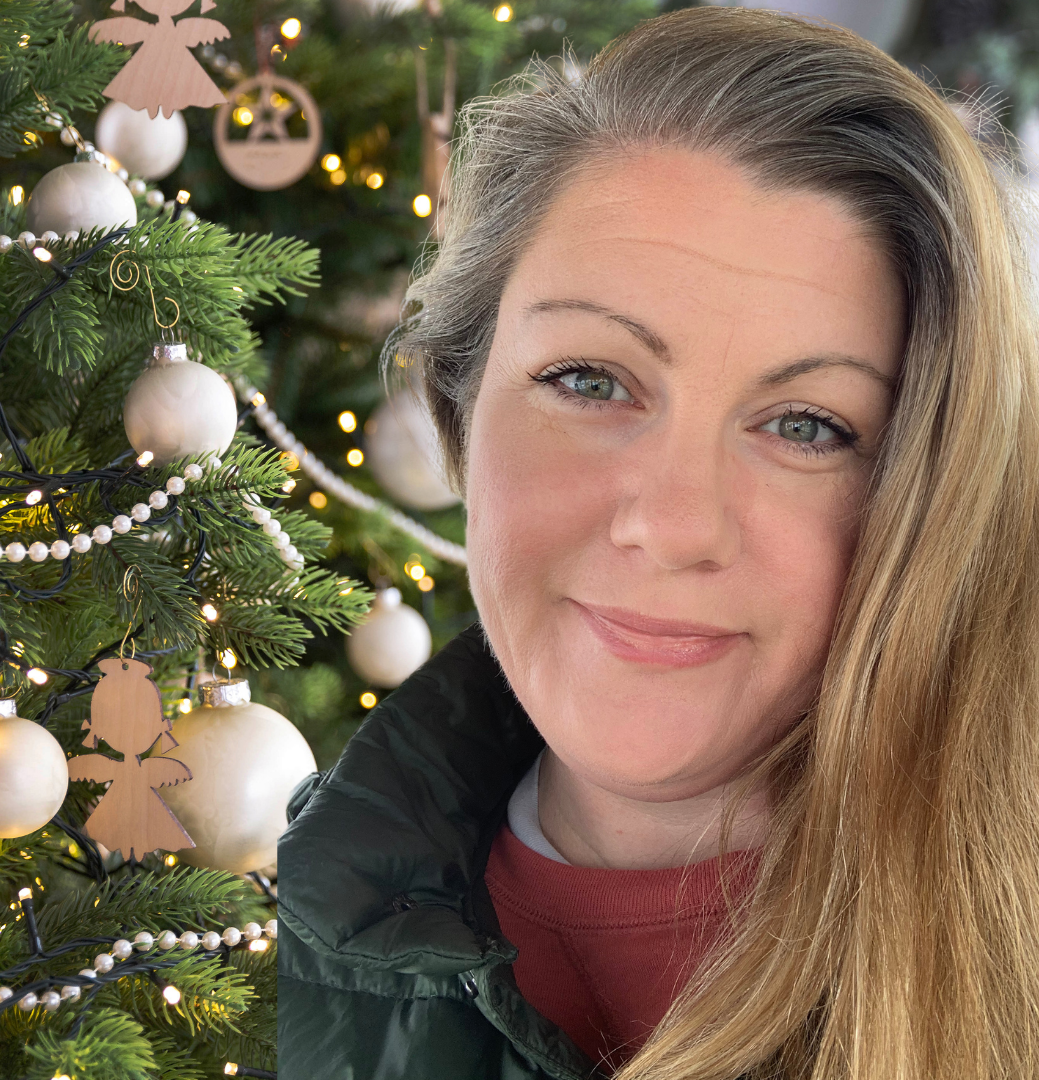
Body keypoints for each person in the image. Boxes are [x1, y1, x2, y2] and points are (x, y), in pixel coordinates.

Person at [277, 8, 1039, 1079]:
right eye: (590, 380)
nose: (672, 524)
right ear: (459, 400)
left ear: (938, 490)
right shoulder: (204, 966)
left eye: (807, 426)